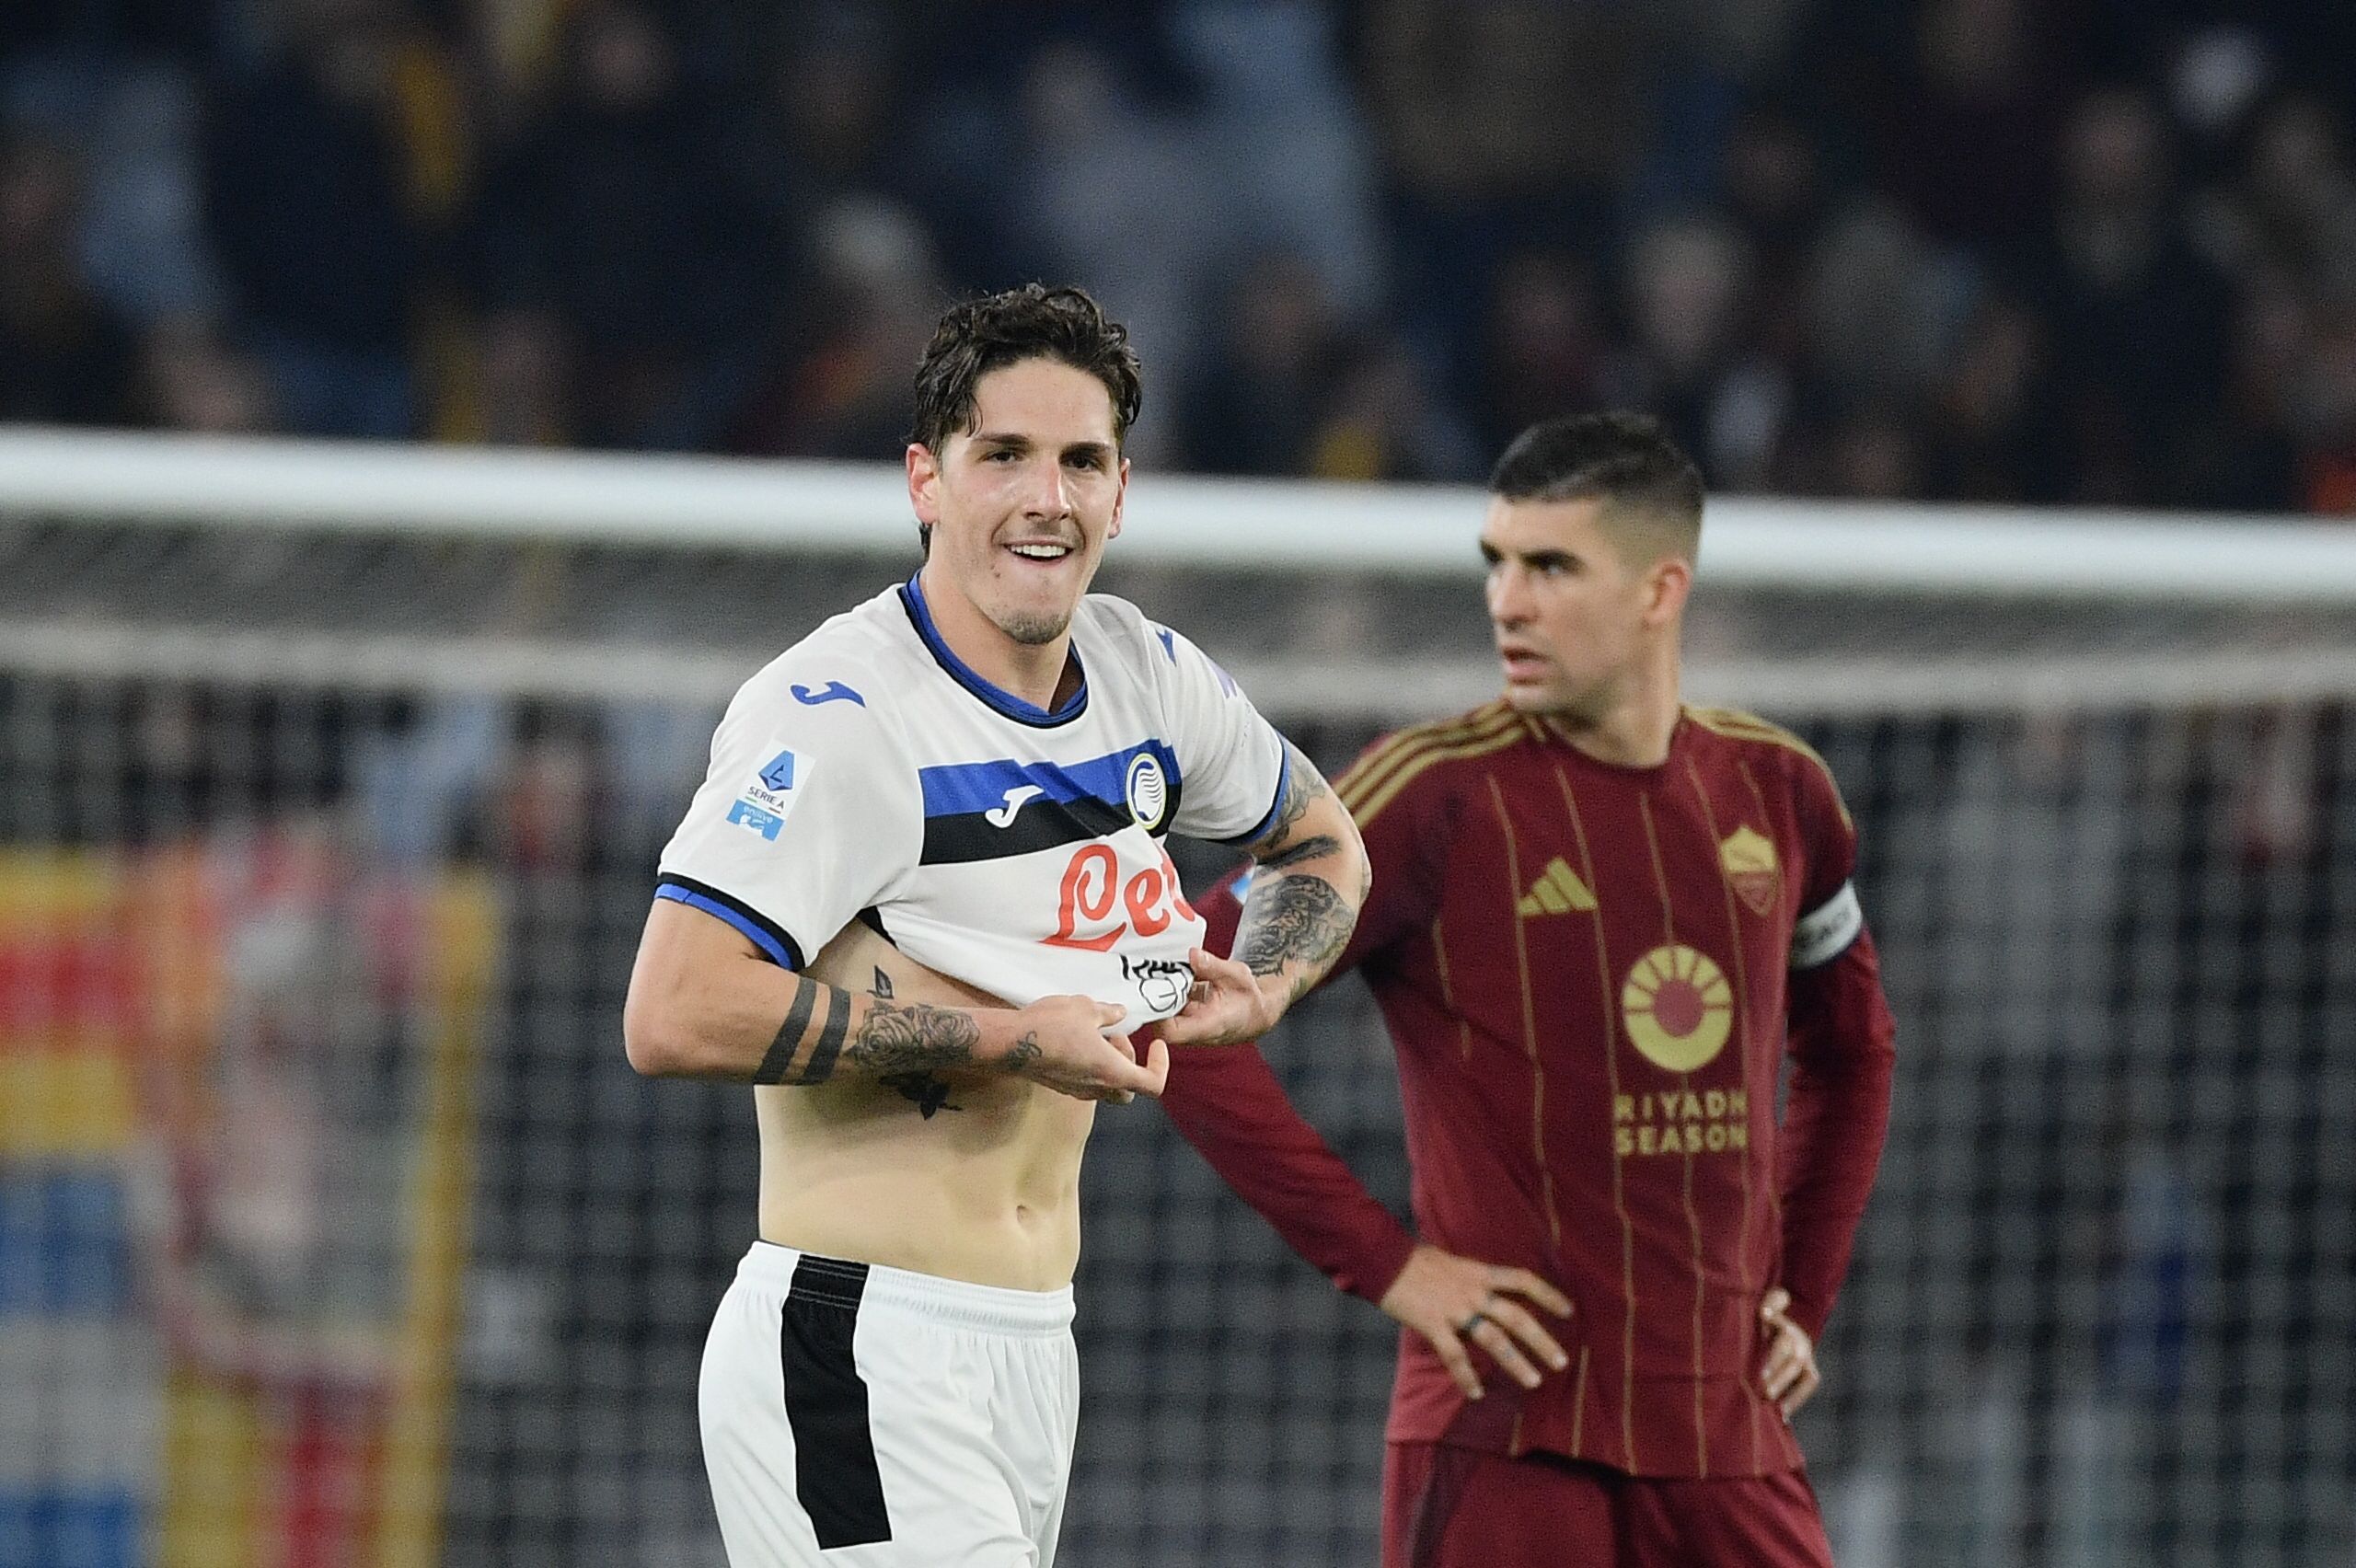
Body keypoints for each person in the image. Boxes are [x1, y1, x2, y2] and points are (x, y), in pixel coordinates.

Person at [622, 282, 1369, 1568]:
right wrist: (1010, 1041)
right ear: (926, 480)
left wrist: (1264, 982)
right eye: (1004, 456)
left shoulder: (1151, 679)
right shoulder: (843, 714)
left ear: (1122, 493)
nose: (1048, 497)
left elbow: (1321, 844)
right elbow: (673, 1010)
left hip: (1033, 1348)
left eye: (1082, 460)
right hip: (857, 1335)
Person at [1161, 411, 1897, 1567]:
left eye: (1550, 567)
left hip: (1727, 1440)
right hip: (1507, 1441)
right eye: (1496, 564)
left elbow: (1853, 1052)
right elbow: (1177, 999)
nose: (1507, 601)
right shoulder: (1428, 797)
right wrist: (1388, 1263)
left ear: (1661, 590)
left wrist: (1801, 1292)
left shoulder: (1780, 792)